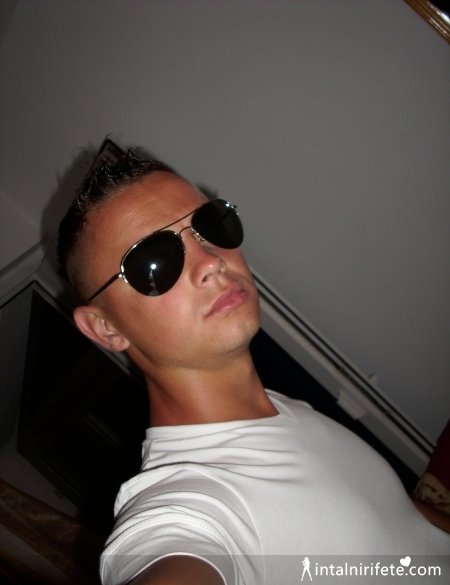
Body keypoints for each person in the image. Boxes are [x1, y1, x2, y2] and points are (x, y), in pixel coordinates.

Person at [57, 148, 449, 585]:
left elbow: (401, 516)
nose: (211, 261)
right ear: (105, 328)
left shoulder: (282, 409)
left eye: (208, 225)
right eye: (155, 261)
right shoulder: (188, 510)